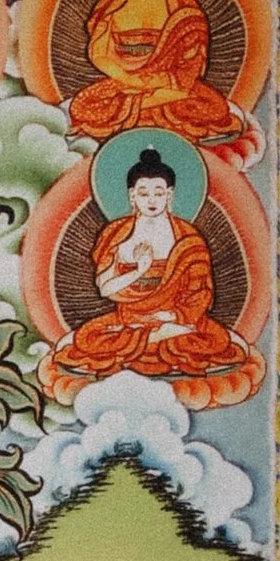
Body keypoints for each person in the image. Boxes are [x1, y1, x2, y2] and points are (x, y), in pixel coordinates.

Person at [44, 151, 254, 401]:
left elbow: (200, 293)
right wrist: (139, 270)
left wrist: (174, 316)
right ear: (132, 196)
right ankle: (154, 338)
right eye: (144, 193)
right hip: (128, 320)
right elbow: (105, 289)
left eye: (159, 192)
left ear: (170, 195)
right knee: (88, 340)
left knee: (212, 342)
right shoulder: (117, 234)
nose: (151, 200)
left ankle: (155, 338)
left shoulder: (187, 237)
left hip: (177, 321)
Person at [64, 0, 244, 147]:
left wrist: (161, 81)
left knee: (214, 107)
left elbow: (193, 62)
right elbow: (99, 54)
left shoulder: (182, 5)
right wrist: (128, 78)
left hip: (170, 83)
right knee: (82, 107)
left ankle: (133, 111)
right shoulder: (111, 5)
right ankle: (148, 107)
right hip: (125, 81)